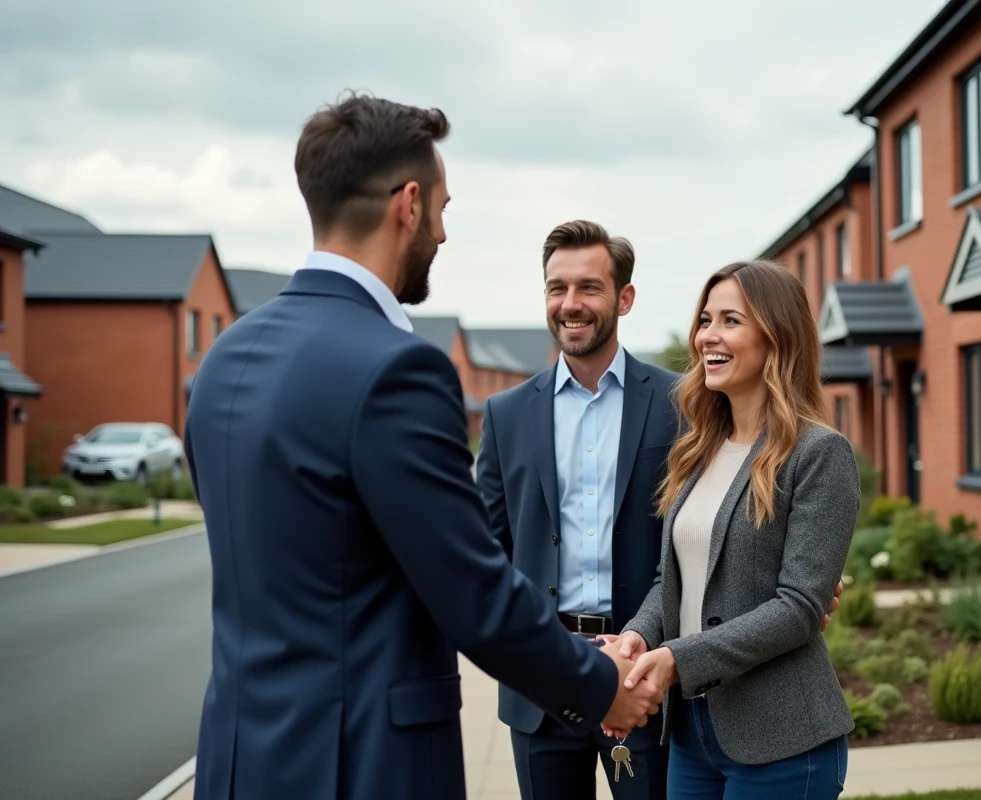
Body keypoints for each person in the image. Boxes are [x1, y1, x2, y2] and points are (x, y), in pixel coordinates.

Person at [183, 94, 662, 800]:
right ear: (408, 203)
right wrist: (600, 687)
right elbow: (472, 586)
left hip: (239, 760)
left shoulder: (224, 357)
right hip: (361, 762)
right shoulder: (396, 369)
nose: (442, 232)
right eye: (442, 207)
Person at [475, 226, 844, 800]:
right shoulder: (506, 415)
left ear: (624, 299)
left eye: (589, 287)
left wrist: (658, 655)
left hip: (662, 691)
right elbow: (489, 554)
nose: (571, 303)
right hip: (550, 686)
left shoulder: (688, 412)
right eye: (557, 287)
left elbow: (787, 577)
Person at [613, 260, 860, 799]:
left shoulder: (819, 454)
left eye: (730, 321)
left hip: (783, 738)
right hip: (692, 734)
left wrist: (679, 659)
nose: (708, 337)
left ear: (776, 335)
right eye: (705, 320)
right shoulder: (698, 451)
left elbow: (799, 607)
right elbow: (672, 580)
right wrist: (640, 633)